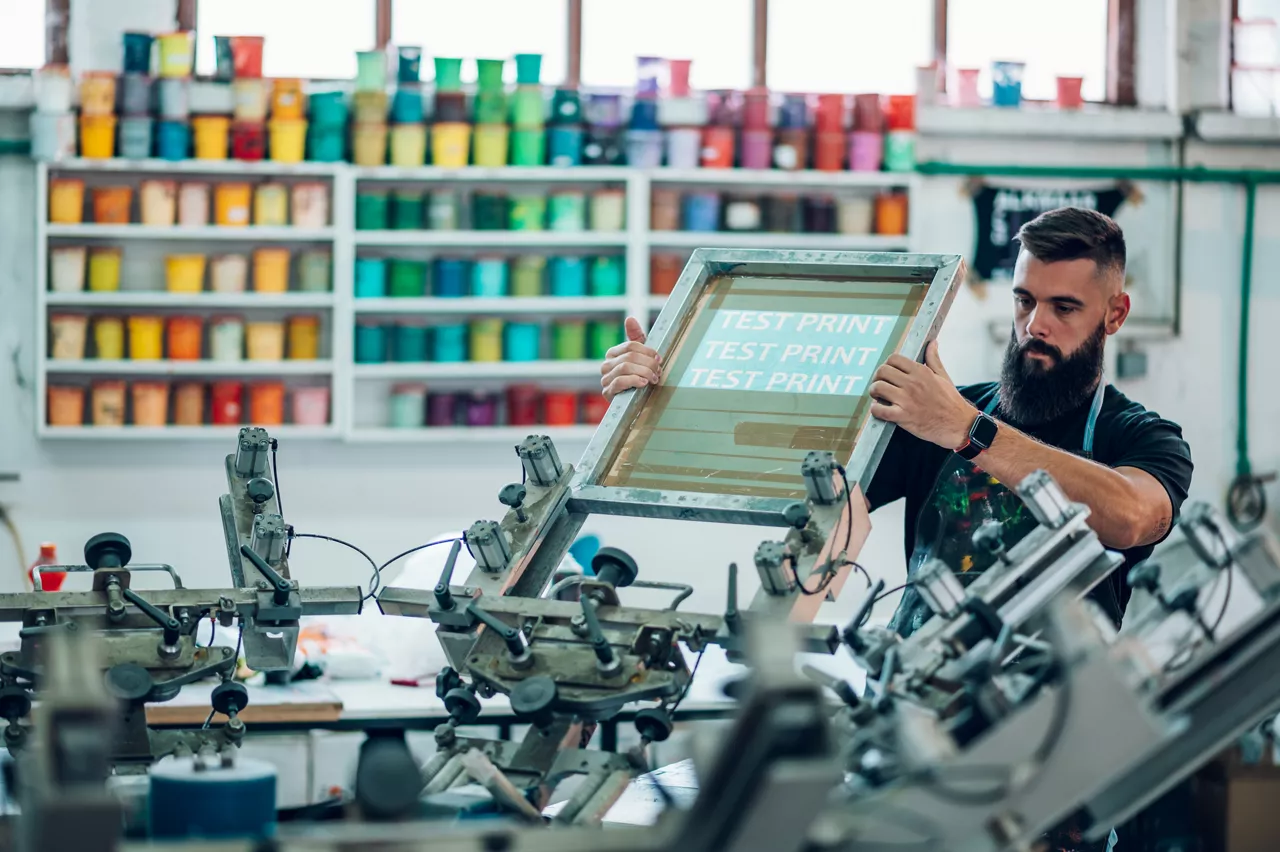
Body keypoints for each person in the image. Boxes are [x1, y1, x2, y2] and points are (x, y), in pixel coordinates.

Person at [599, 207, 1194, 851]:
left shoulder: (1135, 436)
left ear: (1114, 314)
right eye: (1025, 301)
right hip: (911, 733)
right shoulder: (937, 414)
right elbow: (833, 515)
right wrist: (664, 400)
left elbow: (1135, 515)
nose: (1035, 327)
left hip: (1047, 763)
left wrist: (970, 432)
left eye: (1064, 307)